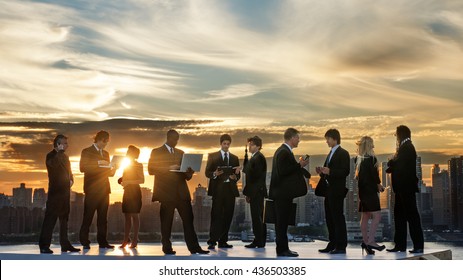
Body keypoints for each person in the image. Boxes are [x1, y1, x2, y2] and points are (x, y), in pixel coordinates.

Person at [148, 129, 209, 255]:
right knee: (166, 222)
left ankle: (194, 248)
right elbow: (151, 169)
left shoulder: (181, 153)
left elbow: (186, 177)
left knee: (188, 221)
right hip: (166, 193)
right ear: (168, 138)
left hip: (181, 192)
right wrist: (169, 168)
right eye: (174, 140)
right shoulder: (156, 152)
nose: (176, 142)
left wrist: (189, 172)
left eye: (177, 140)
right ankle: (167, 248)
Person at [269, 128, 310, 257]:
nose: (299, 140)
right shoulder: (283, 152)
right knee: (281, 223)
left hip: (282, 193)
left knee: (282, 222)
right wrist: (299, 165)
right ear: (292, 138)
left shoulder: (283, 151)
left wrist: (300, 166)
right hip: (282, 194)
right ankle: (282, 250)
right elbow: (283, 171)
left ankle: (283, 248)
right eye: (298, 138)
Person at [39, 135, 81, 254]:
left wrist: (71, 179)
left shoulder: (66, 157)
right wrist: (59, 152)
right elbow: (53, 165)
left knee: (64, 220)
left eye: (67, 143)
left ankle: (65, 245)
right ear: (57, 144)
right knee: (50, 220)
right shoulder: (51, 155)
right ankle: (44, 245)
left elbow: (69, 172)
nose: (67, 145)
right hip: (55, 194)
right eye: (64, 143)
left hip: (65, 193)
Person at [386, 125, 424, 253]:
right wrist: (392, 164)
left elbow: (400, 166)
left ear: (400, 134)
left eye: (396, 134)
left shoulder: (407, 148)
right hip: (401, 188)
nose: (395, 137)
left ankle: (418, 246)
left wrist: (391, 162)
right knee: (399, 216)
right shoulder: (404, 147)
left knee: (412, 216)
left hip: (406, 188)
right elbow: (398, 165)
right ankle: (400, 245)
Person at [79, 130, 117, 249]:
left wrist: (114, 169)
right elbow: (82, 167)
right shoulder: (86, 151)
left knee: (103, 218)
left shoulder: (106, 153)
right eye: (105, 142)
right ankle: (84, 241)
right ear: (100, 139)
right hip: (92, 189)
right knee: (88, 216)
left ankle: (103, 242)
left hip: (104, 189)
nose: (106, 145)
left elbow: (108, 174)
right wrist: (98, 163)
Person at [316, 128, 350, 254]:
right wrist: (322, 172)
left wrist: (330, 171)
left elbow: (345, 171)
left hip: (337, 191)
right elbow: (328, 173)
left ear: (335, 139)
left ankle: (341, 246)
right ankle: (332, 243)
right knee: (329, 218)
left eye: (328, 139)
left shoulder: (343, 153)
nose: (327, 142)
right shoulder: (330, 154)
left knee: (338, 218)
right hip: (328, 191)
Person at [205, 134, 241, 250]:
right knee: (216, 215)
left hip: (230, 191)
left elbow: (238, 175)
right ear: (221, 144)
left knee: (228, 216)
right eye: (224, 144)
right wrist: (215, 174)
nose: (226, 146)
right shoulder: (212, 156)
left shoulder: (235, 158)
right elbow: (207, 173)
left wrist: (235, 177)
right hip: (217, 191)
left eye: (228, 144)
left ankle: (223, 241)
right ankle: (212, 241)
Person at [355, 136, 385, 255]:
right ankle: (371, 241)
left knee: (365, 216)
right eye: (372, 144)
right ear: (368, 146)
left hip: (362, 192)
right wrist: (379, 185)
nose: (373, 146)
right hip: (370, 192)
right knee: (377, 216)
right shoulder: (372, 159)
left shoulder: (359, 160)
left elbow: (361, 177)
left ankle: (365, 241)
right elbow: (374, 176)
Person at [242, 136, 267, 248]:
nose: (249, 146)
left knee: (257, 217)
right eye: (249, 144)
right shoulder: (256, 157)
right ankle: (259, 240)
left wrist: (249, 193)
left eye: (252, 144)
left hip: (256, 192)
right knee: (258, 217)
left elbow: (254, 178)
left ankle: (259, 241)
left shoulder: (258, 158)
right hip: (256, 191)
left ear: (258, 146)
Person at [119, 145, 144, 249]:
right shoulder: (126, 165)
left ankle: (135, 239)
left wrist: (128, 181)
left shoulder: (138, 165)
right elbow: (125, 178)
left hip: (135, 192)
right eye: (128, 151)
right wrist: (121, 181)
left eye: (129, 152)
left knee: (134, 215)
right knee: (127, 216)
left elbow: (142, 180)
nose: (127, 153)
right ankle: (126, 240)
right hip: (127, 192)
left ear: (134, 154)